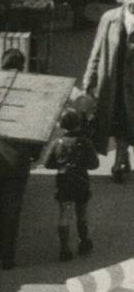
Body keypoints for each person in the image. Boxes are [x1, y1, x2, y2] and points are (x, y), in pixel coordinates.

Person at [0, 58, 36, 270]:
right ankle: (8, 256)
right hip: (18, 161)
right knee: (12, 209)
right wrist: (35, 153)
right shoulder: (28, 93)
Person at [81, 0, 134, 181]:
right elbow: (96, 51)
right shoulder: (109, 18)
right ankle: (122, 155)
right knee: (116, 120)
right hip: (111, 82)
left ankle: (119, 162)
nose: (133, 0)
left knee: (128, 121)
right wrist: (89, 80)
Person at [44, 106, 99, 260]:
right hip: (81, 180)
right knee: (81, 212)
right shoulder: (85, 141)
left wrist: (62, 164)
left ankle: (64, 249)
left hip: (63, 180)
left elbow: (48, 163)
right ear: (78, 124)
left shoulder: (58, 142)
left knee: (64, 213)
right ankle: (83, 242)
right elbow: (94, 164)